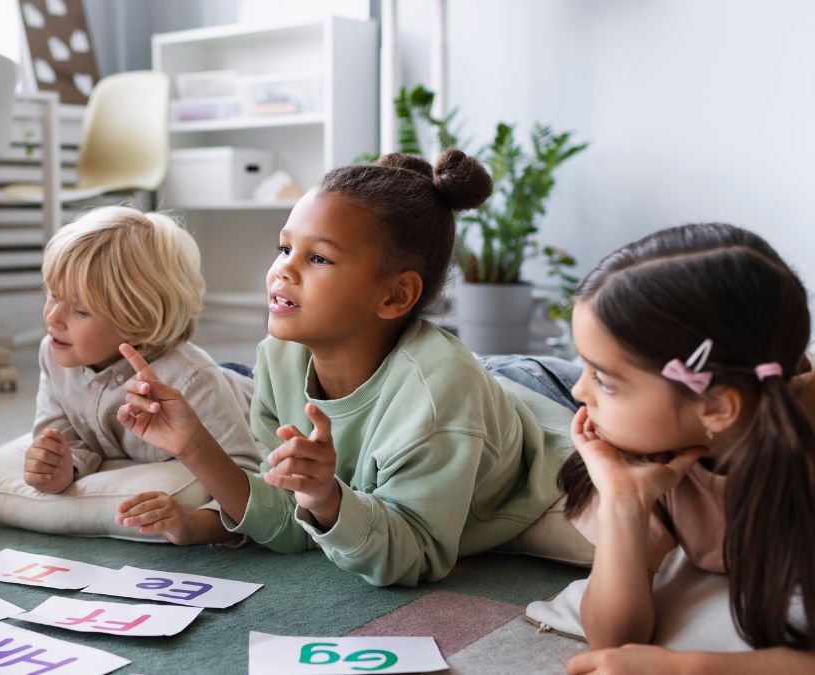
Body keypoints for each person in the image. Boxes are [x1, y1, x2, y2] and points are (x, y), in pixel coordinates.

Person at [115, 151, 585, 586]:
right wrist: (194, 444)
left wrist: (327, 498)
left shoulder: (439, 400)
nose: (283, 270)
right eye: (284, 249)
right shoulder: (278, 356)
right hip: (478, 378)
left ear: (395, 296)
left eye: (317, 257)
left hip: (548, 392)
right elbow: (287, 520)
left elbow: (413, 556)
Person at [558, 223, 815, 672]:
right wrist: (624, 502)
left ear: (715, 406)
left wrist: (689, 668)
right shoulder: (649, 448)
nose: (579, 390)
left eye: (603, 378)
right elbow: (613, 640)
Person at [23, 205, 261, 545]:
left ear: (138, 323)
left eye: (79, 310)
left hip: (247, 391)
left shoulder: (193, 381)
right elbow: (63, 434)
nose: (53, 318)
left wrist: (193, 525)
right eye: (52, 295)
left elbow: (246, 481)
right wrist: (61, 467)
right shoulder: (54, 352)